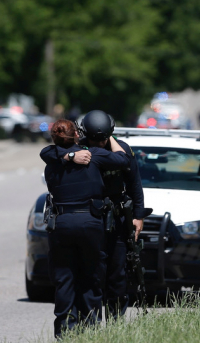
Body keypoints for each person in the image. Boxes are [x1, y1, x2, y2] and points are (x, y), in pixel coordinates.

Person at [41, 119, 130, 338]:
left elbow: (45, 152)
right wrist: (109, 136)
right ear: (77, 135)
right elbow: (122, 159)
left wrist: (67, 155)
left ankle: (64, 330)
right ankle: (89, 327)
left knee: (64, 278)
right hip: (90, 222)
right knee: (91, 275)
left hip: (60, 224)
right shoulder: (93, 155)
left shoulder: (52, 159)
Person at [79, 110, 146, 318]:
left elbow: (135, 184)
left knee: (117, 273)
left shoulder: (122, 150)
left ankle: (115, 321)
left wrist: (138, 216)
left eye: (102, 139)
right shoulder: (79, 150)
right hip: (90, 218)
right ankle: (91, 321)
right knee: (93, 272)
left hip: (117, 219)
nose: (98, 144)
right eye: (93, 139)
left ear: (109, 134)